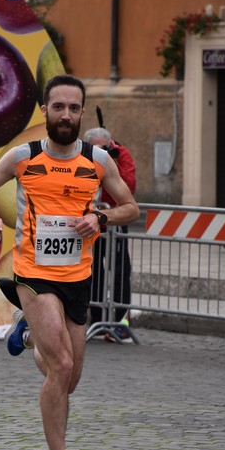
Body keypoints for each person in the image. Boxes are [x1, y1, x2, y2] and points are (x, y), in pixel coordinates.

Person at [0, 74, 139, 450]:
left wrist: (100, 218)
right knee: (60, 366)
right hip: (33, 272)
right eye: (57, 107)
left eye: (73, 108)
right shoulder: (22, 156)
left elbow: (131, 207)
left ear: (82, 112)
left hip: (78, 277)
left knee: (69, 377)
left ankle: (28, 335)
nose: (65, 115)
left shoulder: (99, 161)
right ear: (45, 111)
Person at [83, 127, 136, 341]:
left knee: (121, 270)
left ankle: (121, 322)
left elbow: (128, 186)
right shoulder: (81, 156)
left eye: (103, 148)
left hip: (115, 219)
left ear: (110, 143)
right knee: (93, 271)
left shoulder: (121, 155)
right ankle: (97, 320)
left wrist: (110, 163)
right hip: (91, 223)